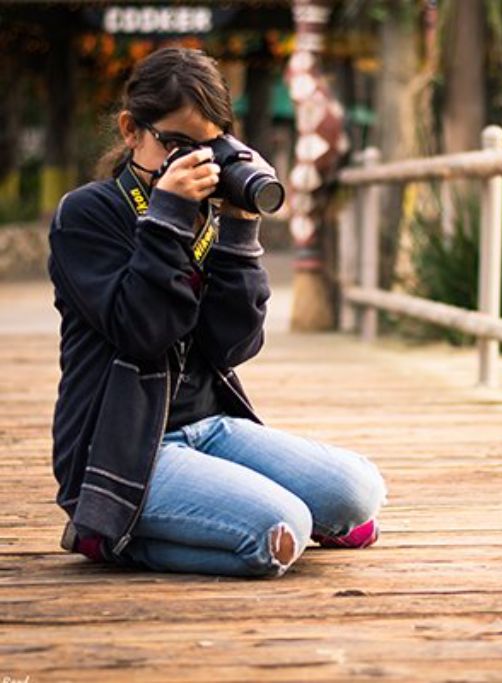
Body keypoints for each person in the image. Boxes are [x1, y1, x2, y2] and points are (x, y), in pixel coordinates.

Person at [48, 46, 387, 578]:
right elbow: (143, 332)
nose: (195, 162)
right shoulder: (87, 215)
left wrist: (239, 228)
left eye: (209, 146)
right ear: (131, 130)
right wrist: (165, 219)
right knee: (280, 530)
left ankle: (227, 510)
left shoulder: (206, 214)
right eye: (176, 144)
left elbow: (234, 346)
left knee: (358, 493)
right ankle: (107, 535)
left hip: (211, 428)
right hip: (121, 447)